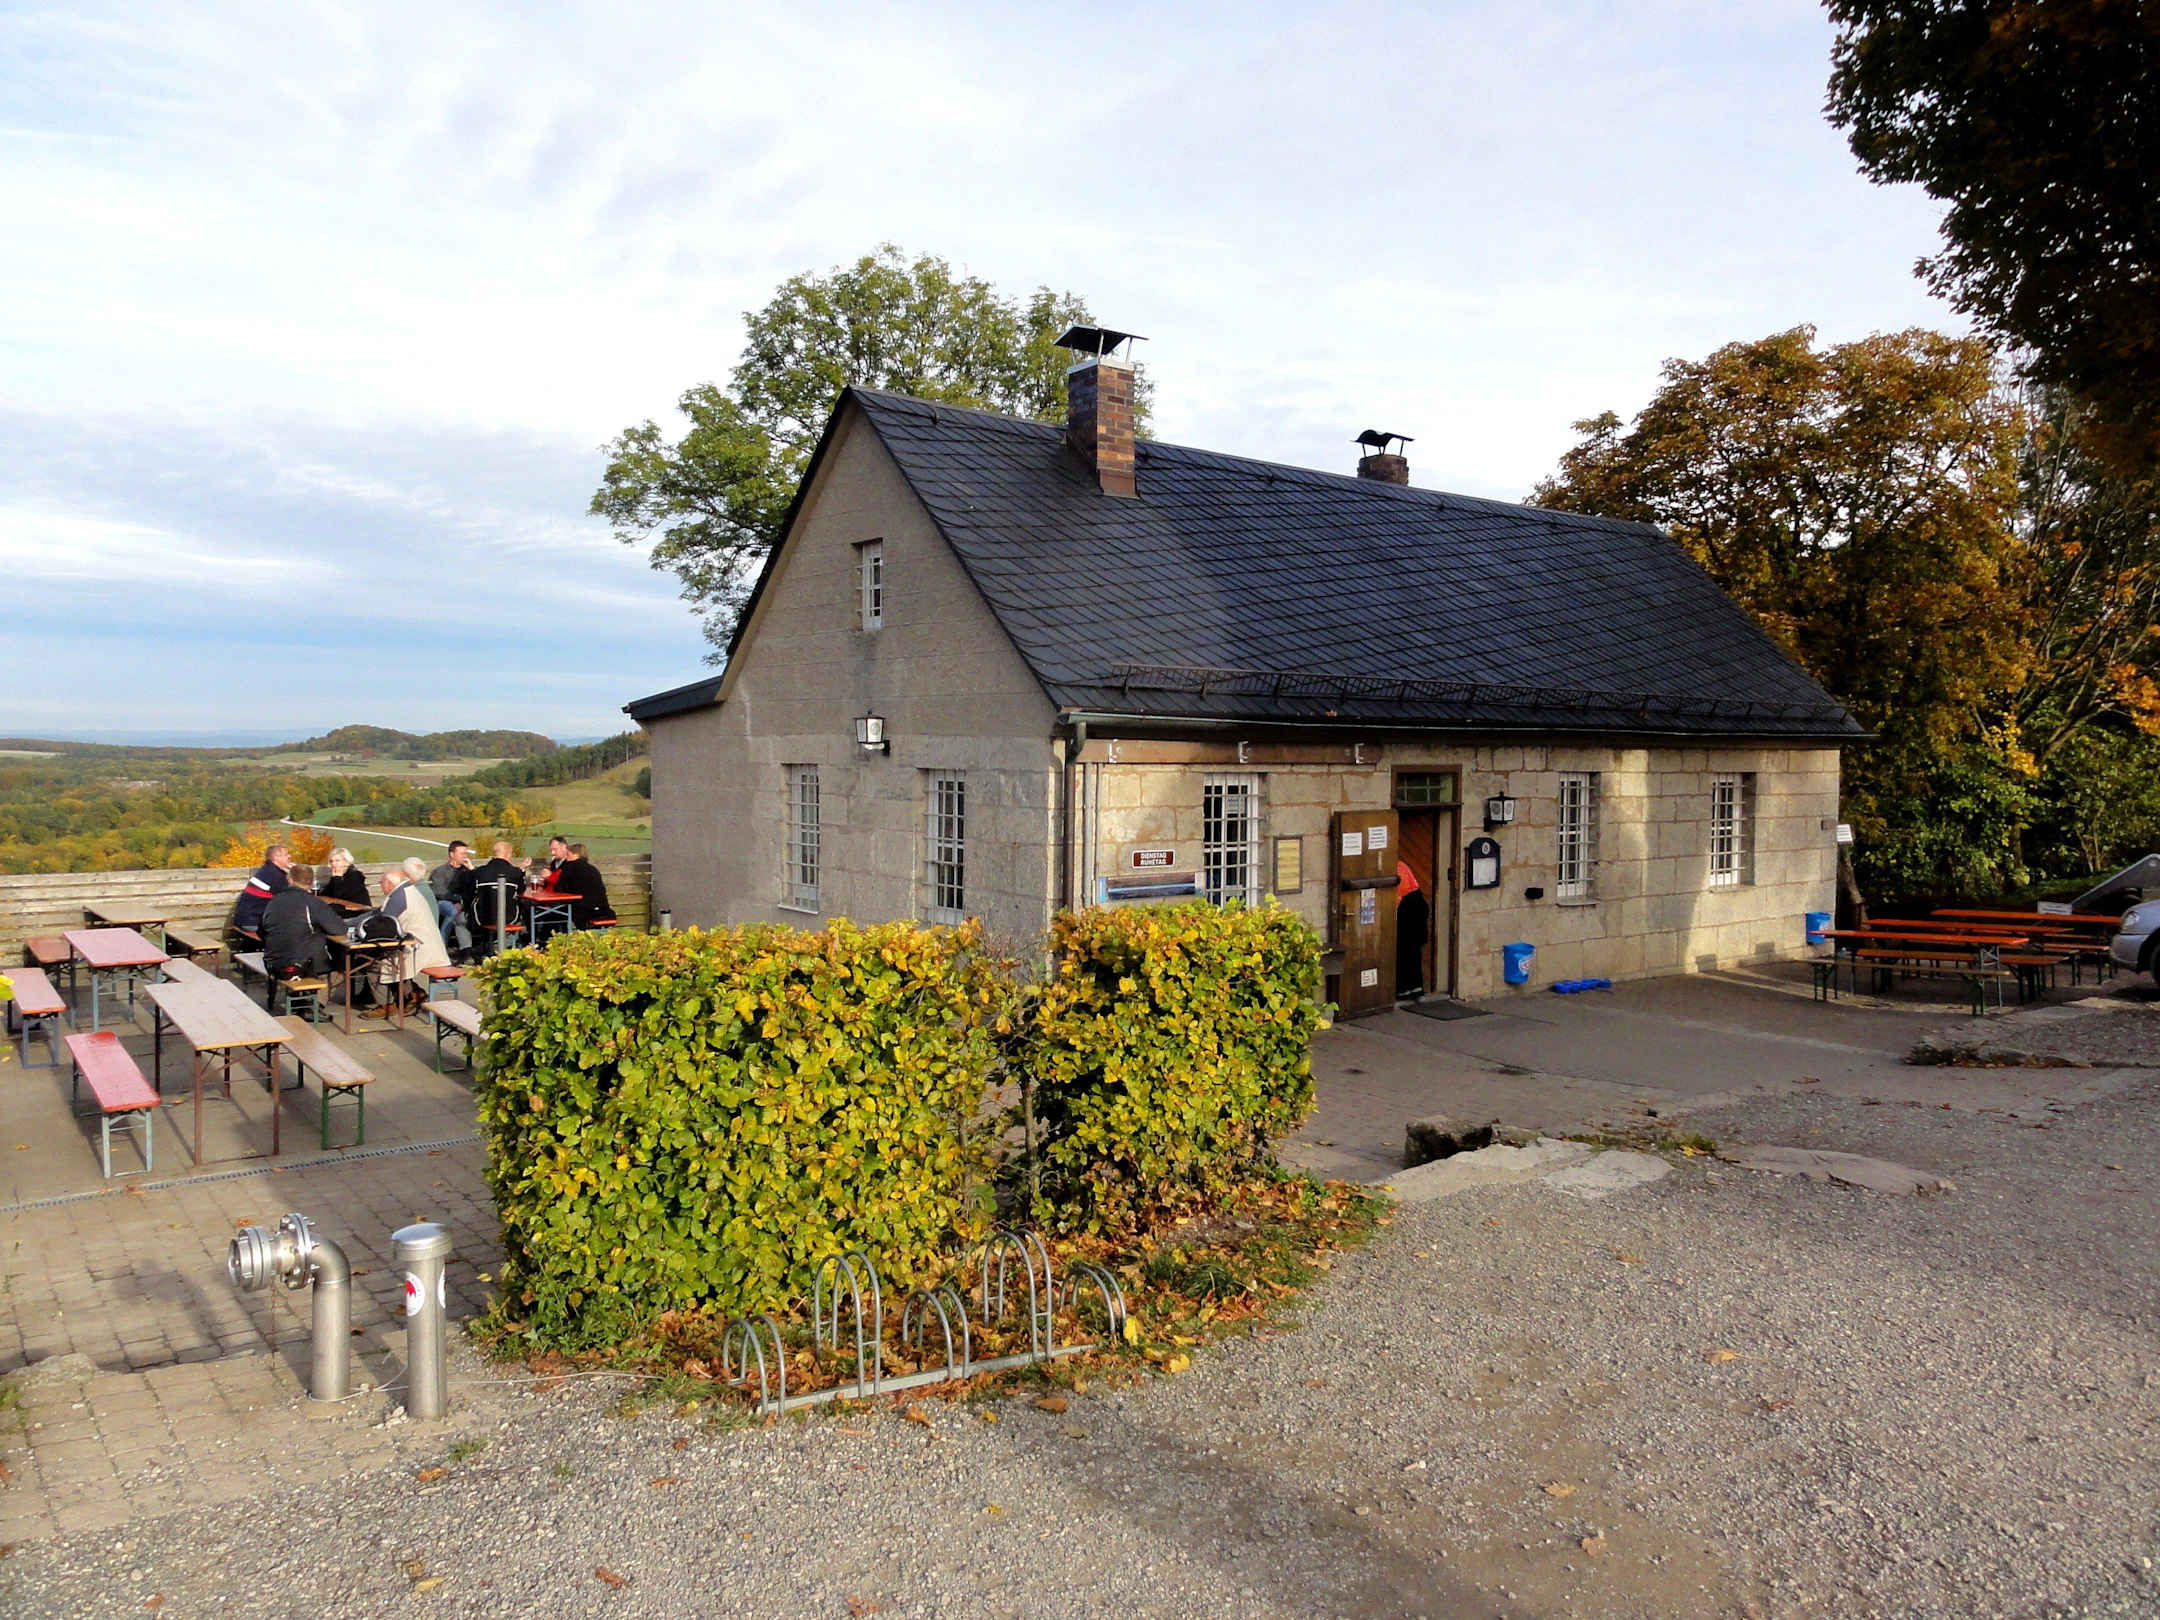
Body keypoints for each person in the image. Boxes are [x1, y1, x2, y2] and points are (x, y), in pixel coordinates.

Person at [366, 858, 452, 1017]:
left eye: (382, 882)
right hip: (424, 944)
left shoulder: (399, 896)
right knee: (391, 960)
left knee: (375, 962)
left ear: (390, 883)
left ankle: (386, 1005)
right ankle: (414, 994)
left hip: (418, 947)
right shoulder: (407, 890)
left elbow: (383, 923)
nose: (380, 885)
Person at [260, 863, 351, 982]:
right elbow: (339, 929)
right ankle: (337, 990)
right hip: (304, 965)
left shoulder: (274, 901)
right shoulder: (313, 902)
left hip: (272, 963)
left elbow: (262, 930)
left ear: (290, 880)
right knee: (342, 960)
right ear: (312, 882)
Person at [469, 840, 529, 955]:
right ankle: (506, 946)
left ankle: (490, 946)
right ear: (508, 854)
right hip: (509, 917)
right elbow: (521, 891)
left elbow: (471, 892)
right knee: (524, 911)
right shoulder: (515, 872)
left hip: (482, 916)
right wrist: (522, 870)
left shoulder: (480, 872)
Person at [231, 844, 292, 942]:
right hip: (252, 923)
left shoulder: (266, 870)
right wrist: (295, 871)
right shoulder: (276, 876)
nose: (289, 856)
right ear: (276, 857)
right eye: (286, 854)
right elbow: (294, 897)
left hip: (244, 919)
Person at [553, 841, 616, 929]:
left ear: (576, 855)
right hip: (604, 911)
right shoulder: (593, 869)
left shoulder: (570, 866)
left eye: (568, 854)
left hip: (584, 911)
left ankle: (555, 935)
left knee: (555, 912)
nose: (566, 858)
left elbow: (558, 888)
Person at [429, 840, 477, 952]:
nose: (465, 856)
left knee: (459, 913)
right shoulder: (440, 871)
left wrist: (472, 869)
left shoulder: (467, 871)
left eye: (466, 853)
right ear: (452, 854)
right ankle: (441, 946)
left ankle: (467, 949)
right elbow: (439, 892)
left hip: (464, 903)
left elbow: (478, 885)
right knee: (453, 911)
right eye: (462, 853)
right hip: (444, 902)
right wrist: (457, 900)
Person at [1394, 858, 1428, 1002]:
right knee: (1414, 952)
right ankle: (1417, 990)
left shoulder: (1394, 868)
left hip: (1407, 910)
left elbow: (1397, 898)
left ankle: (1403, 991)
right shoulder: (1402, 864)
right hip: (1418, 906)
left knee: (1402, 952)